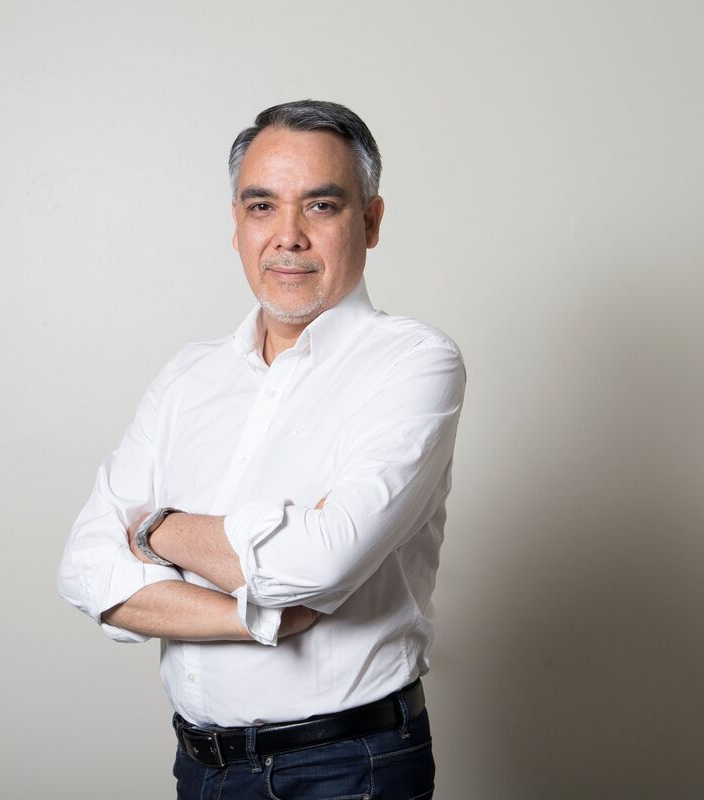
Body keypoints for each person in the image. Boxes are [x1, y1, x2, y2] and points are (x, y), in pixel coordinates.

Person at [57, 99, 465, 799]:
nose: (288, 237)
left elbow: (320, 561)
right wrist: (259, 618)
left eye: (322, 206)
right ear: (237, 225)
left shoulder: (412, 364)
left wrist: (159, 531)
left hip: (345, 768)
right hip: (201, 768)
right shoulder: (189, 377)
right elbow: (85, 568)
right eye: (262, 207)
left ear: (371, 222)